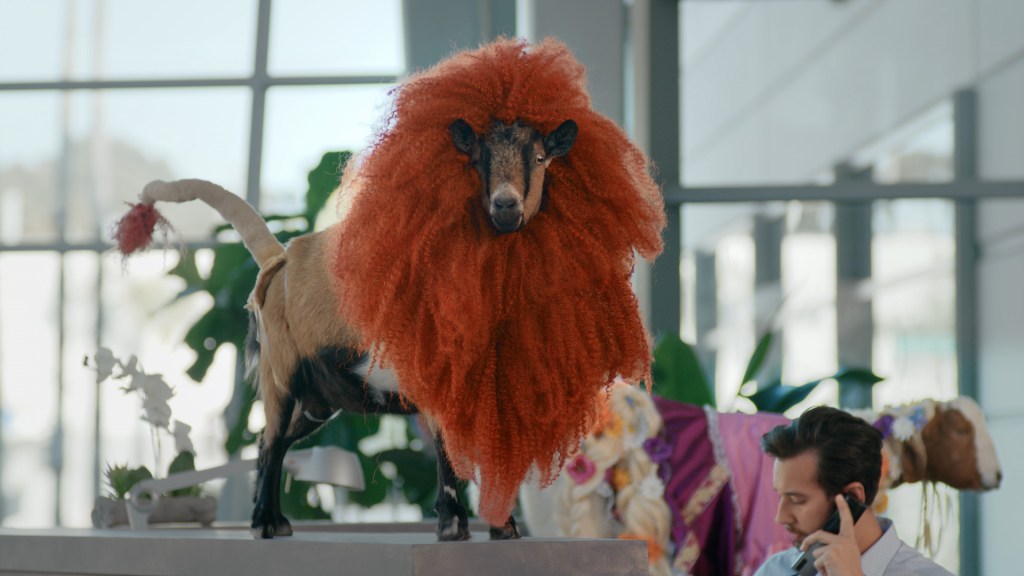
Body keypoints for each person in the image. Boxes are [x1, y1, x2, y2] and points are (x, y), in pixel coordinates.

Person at [754, 405, 953, 576]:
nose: (781, 517)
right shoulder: (775, 570)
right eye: (780, 496)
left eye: (797, 500)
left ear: (853, 497)